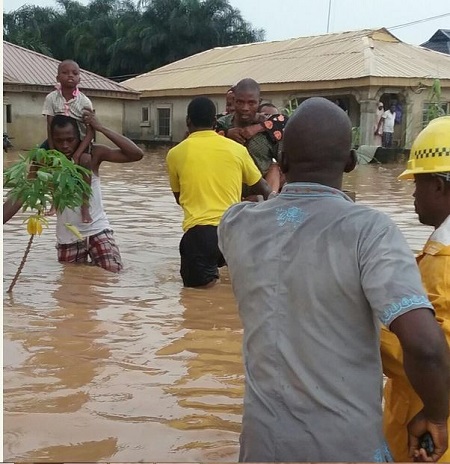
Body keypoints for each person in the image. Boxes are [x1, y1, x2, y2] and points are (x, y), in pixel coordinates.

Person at [217, 97, 449, 462]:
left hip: (262, 445)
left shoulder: (236, 225)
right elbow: (425, 345)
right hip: (346, 447)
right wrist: (437, 414)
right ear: (351, 162)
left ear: (284, 161)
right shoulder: (370, 231)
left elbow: (274, 214)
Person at [381, 115, 450, 462]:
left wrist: (364, 328)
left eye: (417, 182)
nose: (412, 193)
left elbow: (429, 351)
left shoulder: (443, 262)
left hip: (427, 429)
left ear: (438, 185)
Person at [4, 111, 144, 273]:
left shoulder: (93, 154)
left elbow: (136, 154)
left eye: (70, 140)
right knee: (71, 287)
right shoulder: (44, 162)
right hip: (67, 237)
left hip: (97, 229)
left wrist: (100, 127)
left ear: (80, 137)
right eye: (59, 141)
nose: (65, 146)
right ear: (51, 140)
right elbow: (22, 195)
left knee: (113, 273)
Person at [166, 96, 271, 288]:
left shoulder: (175, 154)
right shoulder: (236, 149)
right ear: (215, 122)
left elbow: (179, 199)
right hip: (235, 234)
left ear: (188, 121)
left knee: (198, 303)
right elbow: (264, 189)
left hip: (200, 235)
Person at [42, 59, 94, 223]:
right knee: (46, 162)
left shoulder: (84, 101)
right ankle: (54, 201)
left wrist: (78, 153)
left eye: (75, 73)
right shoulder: (51, 98)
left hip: (80, 141)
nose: (70, 76)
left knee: (86, 162)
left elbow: (90, 130)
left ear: (79, 79)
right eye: (65, 73)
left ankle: (85, 206)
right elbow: (50, 126)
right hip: (57, 140)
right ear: (58, 78)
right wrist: (53, 152)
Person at [216, 78, 286, 194]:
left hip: (260, 201)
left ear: (259, 102)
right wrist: (226, 133)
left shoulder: (271, 129)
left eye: (251, 103)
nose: (245, 108)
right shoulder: (221, 124)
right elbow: (202, 132)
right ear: (233, 101)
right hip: (225, 196)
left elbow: (286, 166)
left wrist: (257, 128)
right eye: (240, 102)